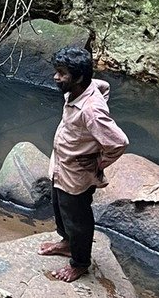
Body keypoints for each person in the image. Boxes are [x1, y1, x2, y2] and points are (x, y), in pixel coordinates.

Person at [37, 46, 128, 283]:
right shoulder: (79, 89)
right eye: (56, 71)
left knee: (78, 220)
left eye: (61, 73)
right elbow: (103, 86)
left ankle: (80, 263)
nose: (56, 77)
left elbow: (118, 142)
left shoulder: (91, 111)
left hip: (77, 173)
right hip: (61, 166)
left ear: (78, 77)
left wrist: (98, 161)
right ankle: (66, 243)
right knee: (59, 208)